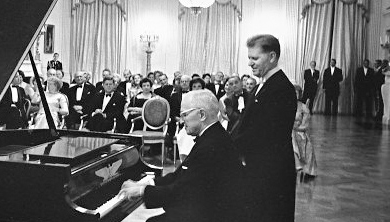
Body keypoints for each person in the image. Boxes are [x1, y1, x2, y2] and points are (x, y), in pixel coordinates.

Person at [119, 90, 243, 222]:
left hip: (211, 214)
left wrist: (143, 191)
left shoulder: (212, 145)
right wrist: (147, 183)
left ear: (201, 114)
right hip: (205, 207)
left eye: (185, 114)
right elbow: (180, 176)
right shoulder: (212, 136)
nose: (182, 120)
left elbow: (183, 191)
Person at [232, 34, 297, 221]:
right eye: (249, 58)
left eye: (255, 58)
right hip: (262, 167)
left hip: (271, 171)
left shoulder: (280, 88)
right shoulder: (265, 85)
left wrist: (228, 148)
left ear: (272, 57)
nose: (250, 63)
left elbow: (263, 132)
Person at [292, 85, 317, 181]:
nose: (294, 95)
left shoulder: (303, 107)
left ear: (300, 94)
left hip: (300, 132)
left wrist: (296, 128)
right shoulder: (287, 105)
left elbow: (305, 124)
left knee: (306, 147)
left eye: (296, 93)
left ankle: (306, 170)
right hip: (290, 132)